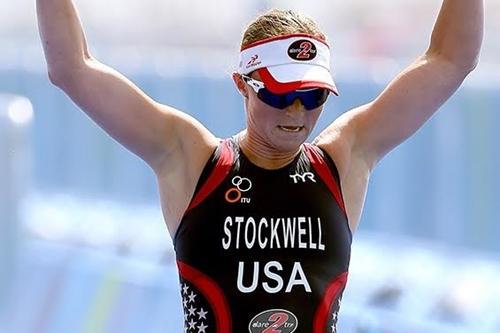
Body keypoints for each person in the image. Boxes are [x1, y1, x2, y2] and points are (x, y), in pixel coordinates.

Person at [37, 0, 483, 332]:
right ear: (242, 86)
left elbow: (451, 59)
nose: (295, 112)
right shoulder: (192, 159)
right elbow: (71, 69)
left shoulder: (345, 158)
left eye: (312, 97)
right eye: (278, 93)